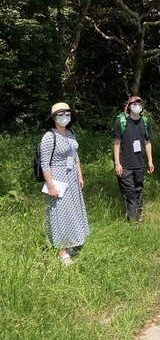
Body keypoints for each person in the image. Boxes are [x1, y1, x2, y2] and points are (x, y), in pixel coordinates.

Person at [41, 103, 89, 265]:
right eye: (61, 114)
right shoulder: (49, 136)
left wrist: (80, 176)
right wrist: (51, 186)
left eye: (67, 114)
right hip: (57, 178)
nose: (65, 117)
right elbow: (44, 164)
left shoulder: (70, 133)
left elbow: (75, 156)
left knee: (72, 211)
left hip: (72, 178)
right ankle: (61, 250)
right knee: (58, 213)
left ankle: (69, 244)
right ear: (54, 117)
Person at [113, 96, 154, 223]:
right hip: (125, 164)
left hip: (139, 163)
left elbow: (147, 142)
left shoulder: (145, 122)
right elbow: (116, 142)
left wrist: (150, 161)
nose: (137, 106)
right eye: (134, 104)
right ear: (129, 106)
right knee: (129, 191)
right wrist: (117, 163)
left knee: (138, 189)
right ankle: (132, 220)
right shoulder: (121, 121)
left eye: (139, 104)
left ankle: (137, 215)